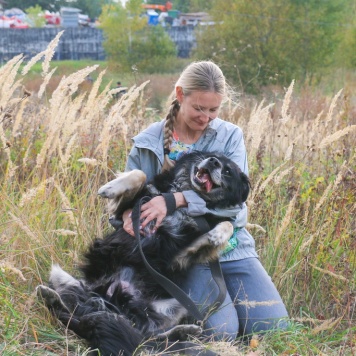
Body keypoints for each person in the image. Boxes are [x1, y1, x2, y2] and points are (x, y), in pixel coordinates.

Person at [118, 60, 289, 341]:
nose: (206, 117)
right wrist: (127, 214)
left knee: (274, 330)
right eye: (199, 108)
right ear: (180, 94)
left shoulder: (230, 136)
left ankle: (237, 309)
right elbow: (129, 201)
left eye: (213, 109)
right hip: (185, 252)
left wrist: (176, 200)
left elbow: (234, 206)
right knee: (221, 333)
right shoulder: (148, 142)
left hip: (234, 248)